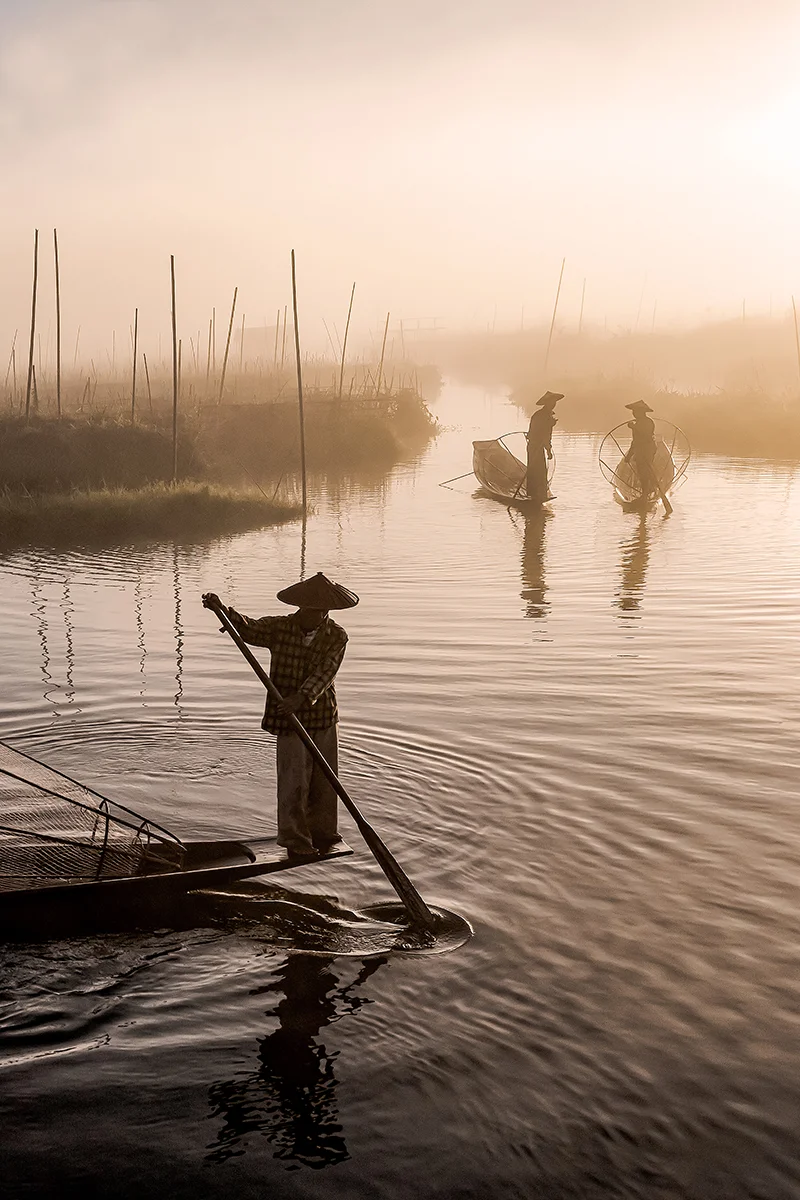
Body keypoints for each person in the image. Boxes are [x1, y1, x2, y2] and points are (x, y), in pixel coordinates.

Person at [201, 572, 359, 859]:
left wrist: (300, 698)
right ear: (302, 609)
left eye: (321, 612)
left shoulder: (337, 635)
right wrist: (223, 611)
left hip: (322, 716)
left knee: (325, 781)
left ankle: (323, 833)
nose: (316, 616)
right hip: (289, 720)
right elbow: (250, 629)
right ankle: (296, 840)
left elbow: (326, 672)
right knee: (293, 782)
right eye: (311, 611)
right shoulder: (281, 627)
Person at [526, 391, 563, 503]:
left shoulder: (547, 416)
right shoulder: (541, 416)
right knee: (536, 470)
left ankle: (538, 495)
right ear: (547, 403)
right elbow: (542, 434)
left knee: (540, 470)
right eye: (552, 401)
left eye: (554, 402)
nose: (554, 403)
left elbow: (546, 435)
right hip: (534, 446)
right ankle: (534, 495)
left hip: (538, 446)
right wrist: (548, 450)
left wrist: (547, 448)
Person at [624, 400, 657, 498]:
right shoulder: (637, 423)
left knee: (646, 470)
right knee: (642, 471)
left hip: (647, 449)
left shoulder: (648, 422)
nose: (633, 413)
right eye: (633, 411)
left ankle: (648, 491)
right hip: (640, 449)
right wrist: (629, 455)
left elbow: (646, 435)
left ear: (641, 412)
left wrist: (634, 427)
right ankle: (646, 491)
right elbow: (635, 441)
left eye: (635, 411)